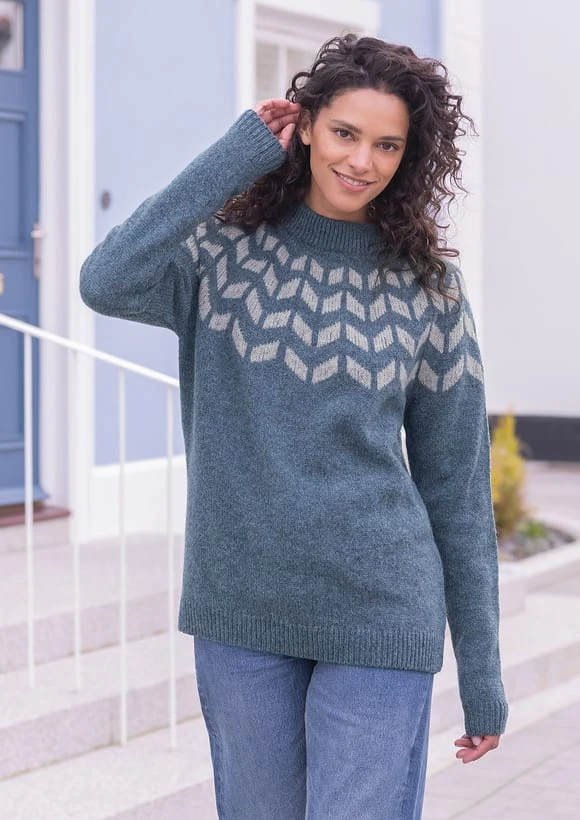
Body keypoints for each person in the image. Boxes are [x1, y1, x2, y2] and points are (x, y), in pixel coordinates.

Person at [80, 32, 508, 820]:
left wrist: (480, 671)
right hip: (242, 603)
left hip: (381, 609)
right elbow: (106, 280)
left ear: (408, 156)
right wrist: (234, 156)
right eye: (344, 132)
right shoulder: (222, 257)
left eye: (387, 145)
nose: (362, 161)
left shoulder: (428, 287)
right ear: (305, 126)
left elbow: (455, 485)